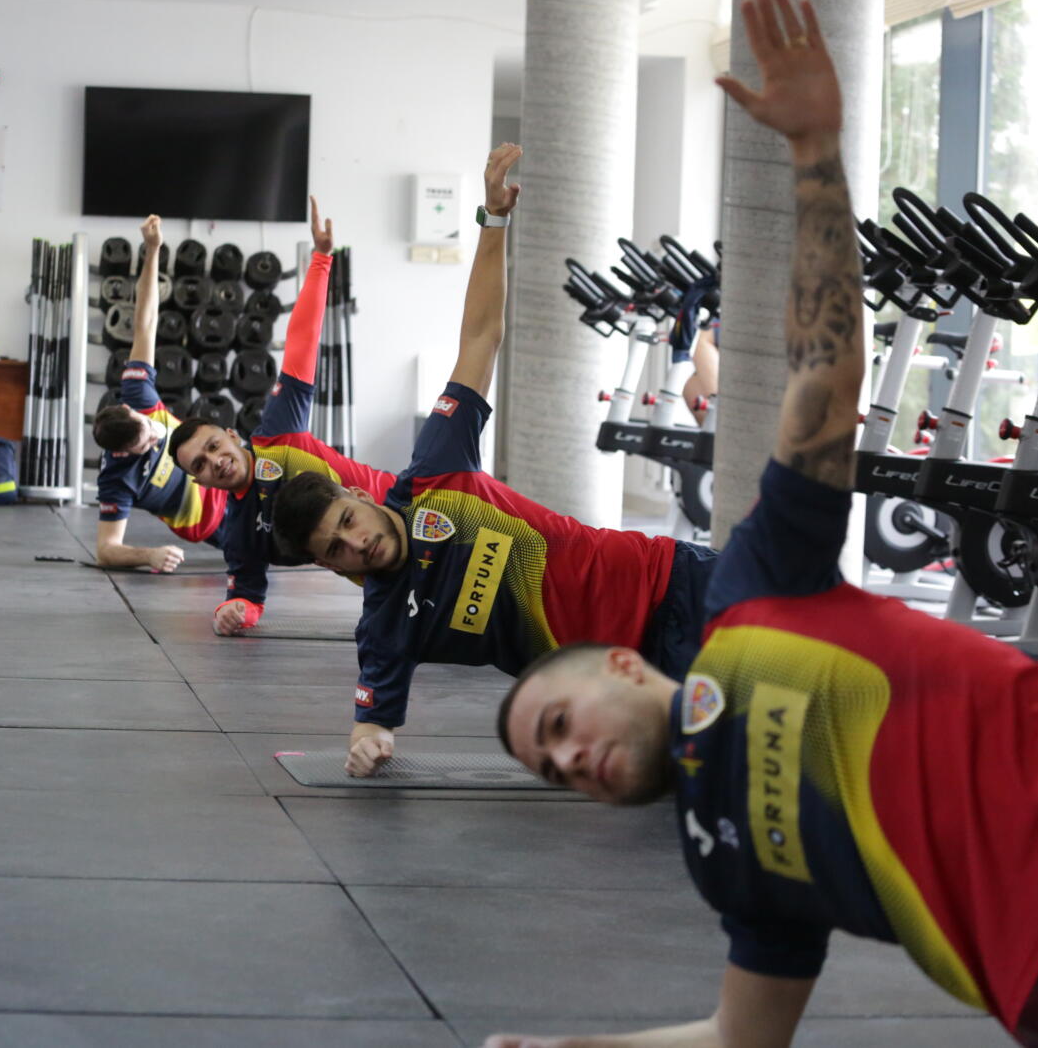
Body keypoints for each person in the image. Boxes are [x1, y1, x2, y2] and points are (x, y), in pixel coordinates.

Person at [491, 0, 1038, 1047]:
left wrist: (814, 155)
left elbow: (823, 384)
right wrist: (574, 1046)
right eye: (551, 770)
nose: (568, 762)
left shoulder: (749, 598)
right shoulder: (727, 861)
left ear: (622, 666)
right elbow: (739, 1038)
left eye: (558, 727)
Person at [269, 145, 718, 777]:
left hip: (672, 582)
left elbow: (480, 336)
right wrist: (366, 742)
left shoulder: (436, 472)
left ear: (360, 498)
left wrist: (493, 219)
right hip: (633, 684)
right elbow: (372, 719)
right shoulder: (387, 625)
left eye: (347, 522)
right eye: (335, 550)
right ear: (328, 567)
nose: (357, 543)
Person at [168, 197, 396, 634]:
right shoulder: (240, 533)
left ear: (233, 434)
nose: (216, 461)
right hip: (382, 570)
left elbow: (302, 342)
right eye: (201, 465)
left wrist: (321, 260)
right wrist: (234, 612)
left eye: (213, 446)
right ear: (201, 484)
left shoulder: (279, 432)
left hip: (412, 505)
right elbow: (247, 596)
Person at [89, 214, 229, 572]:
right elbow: (106, 550)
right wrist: (148, 555)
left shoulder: (137, 394)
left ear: (131, 410)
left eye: (149, 427)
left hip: (233, 472)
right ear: (125, 453)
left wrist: (152, 250)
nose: (157, 437)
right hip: (217, 524)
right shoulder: (117, 480)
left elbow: (146, 321)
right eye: (147, 443)